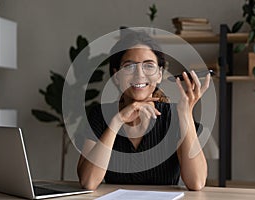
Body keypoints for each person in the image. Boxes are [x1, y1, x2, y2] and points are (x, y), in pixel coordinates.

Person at [77, 30, 210, 191]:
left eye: (149, 66)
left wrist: (185, 113)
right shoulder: (100, 115)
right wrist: (117, 121)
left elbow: (196, 182)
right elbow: (88, 181)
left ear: (160, 74)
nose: (139, 74)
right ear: (116, 75)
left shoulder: (174, 115)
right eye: (129, 66)